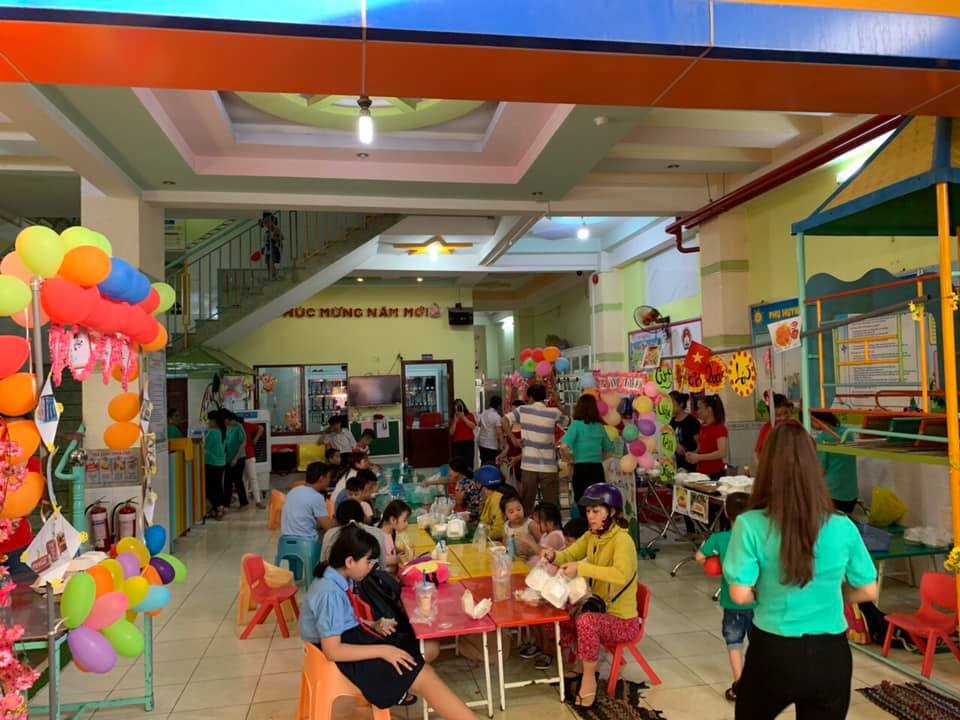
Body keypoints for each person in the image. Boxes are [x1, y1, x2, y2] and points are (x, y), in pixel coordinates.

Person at [725, 422, 878, 720]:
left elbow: (740, 595)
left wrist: (766, 594)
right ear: (814, 467)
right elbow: (869, 590)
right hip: (831, 654)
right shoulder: (842, 525)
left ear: (766, 465)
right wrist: (837, 594)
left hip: (773, 650)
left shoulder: (749, 524)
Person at [300, 525, 474, 718]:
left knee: (423, 648)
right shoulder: (329, 593)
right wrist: (384, 651)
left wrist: (372, 624)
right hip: (340, 655)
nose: (371, 566)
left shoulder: (337, 577)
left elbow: (341, 620)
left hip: (351, 638)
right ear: (349, 561)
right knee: (425, 675)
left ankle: (400, 685)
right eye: (368, 561)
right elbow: (333, 651)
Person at [543, 483, 638, 710]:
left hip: (624, 621)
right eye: (588, 511)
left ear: (611, 512)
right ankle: (581, 662)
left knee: (586, 622)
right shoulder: (592, 536)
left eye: (596, 511)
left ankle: (589, 678)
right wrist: (553, 556)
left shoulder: (622, 541)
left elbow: (620, 575)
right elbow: (569, 554)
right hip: (599, 609)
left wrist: (581, 568)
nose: (591, 516)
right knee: (557, 611)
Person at [695, 492, 755, 702]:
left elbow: (699, 557)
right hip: (758, 601)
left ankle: (739, 683)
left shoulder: (720, 538)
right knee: (759, 644)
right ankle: (760, 682)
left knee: (734, 643)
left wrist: (714, 565)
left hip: (732, 602)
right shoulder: (758, 538)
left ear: (727, 514)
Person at [508, 384, 561, 514]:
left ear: (530, 397)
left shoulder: (522, 410)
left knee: (526, 504)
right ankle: (551, 525)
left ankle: (527, 525)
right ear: (544, 396)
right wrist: (558, 401)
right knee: (551, 505)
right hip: (549, 466)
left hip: (528, 466)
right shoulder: (554, 412)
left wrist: (514, 440)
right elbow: (568, 423)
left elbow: (504, 420)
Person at [560, 394, 614, 504]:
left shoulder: (576, 425)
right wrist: (597, 458)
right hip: (597, 469)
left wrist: (569, 459)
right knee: (597, 504)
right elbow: (609, 451)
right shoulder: (599, 426)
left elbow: (563, 446)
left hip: (581, 469)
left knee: (582, 502)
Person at [813, 412, 859, 513]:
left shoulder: (822, 439)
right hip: (851, 493)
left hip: (833, 494)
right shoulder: (847, 432)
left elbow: (821, 470)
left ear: (814, 420)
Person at [320, 500, 389, 566]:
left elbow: (323, 562)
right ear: (362, 515)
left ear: (338, 517)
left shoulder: (330, 534)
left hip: (335, 573)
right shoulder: (377, 532)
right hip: (370, 574)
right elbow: (382, 564)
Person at [281, 461, 336, 540]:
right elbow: (327, 526)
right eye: (328, 477)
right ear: (321, 479)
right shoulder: (316, 497)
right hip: (306, 541)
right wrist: (340, 522)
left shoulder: (293, 491)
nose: (329, 480)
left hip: (285, 540)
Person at [684, 394, 729, 480]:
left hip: (714, 473)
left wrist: (699, 457)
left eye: (700, 408)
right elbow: (702, 447)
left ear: (709, 409)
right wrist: (692, 454)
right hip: (701, 472)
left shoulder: (719, 428)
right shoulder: (702, 426)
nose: (697, 411)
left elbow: (722, 453)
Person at [752, 394, 793, 470]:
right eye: (778, 415)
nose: (783, 417)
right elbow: (757, 453)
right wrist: (761, 470)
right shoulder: (767, 428)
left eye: (786, 413)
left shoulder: (794, 426)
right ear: (771, 415)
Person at [204, 410, 228, 520]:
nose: (208, 422)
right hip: (221, 462)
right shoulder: (223, 431)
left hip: (211, 462)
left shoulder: (212, 432)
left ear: (214, 421)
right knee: (218, 486)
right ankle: (219, 508)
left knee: (209, 488)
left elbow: (205, 446)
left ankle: (218, 508)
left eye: (209, 420)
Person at [223, 411, 249, 510]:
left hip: (239, 458)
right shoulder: (226, 427)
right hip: (228, 458)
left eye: (226, 419)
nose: (225, 421)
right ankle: (226, 504)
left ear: (230, 419)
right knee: (227, 481)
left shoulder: (238, 426)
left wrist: (235, 458)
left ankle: (244, 504)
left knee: (238, 481)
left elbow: (243, 443)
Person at [669, 391, 700, 472]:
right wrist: (676, 445)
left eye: (672, 403)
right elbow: (670, 440)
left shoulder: (692, 421)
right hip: (678, 463)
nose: (669, 407)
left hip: (692, 465)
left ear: (681, 404)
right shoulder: (671, 422)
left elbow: (700, 445)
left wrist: (692, 455)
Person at [378, 499, 412, 573]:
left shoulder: (391, 531)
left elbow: (390, 547)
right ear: (393, 520)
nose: (407, 524)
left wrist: (399, 550)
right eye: (404, 520)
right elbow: (378, 561)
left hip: (393, 572)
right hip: (385, 576)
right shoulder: (379, 537)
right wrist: (396, 559)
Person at [501, 494, 537, 561]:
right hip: (515, 559)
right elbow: (504, 544)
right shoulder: (506, 526)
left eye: (518, 509)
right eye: (511, 512)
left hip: (532, 559)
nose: (516, 514)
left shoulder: (530, 524)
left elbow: (542, 541)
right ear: (505, 514)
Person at [476, 465, 507, 541]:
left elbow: (499, 531)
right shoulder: (491, 497)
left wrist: (479, 537)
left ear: (480, 484)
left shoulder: (497, 499)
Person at [241, 415, 266, 508]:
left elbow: (261, 428)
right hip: (241, 456)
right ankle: (246, 501)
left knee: (252, 478)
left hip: (248, 455)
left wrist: (255, 439)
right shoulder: (235, 427)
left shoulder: (245, 425)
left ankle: (258, 501)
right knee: (244, 480)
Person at [450, 399, 477, 467]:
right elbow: (451, 433)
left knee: (469, 462)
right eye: (456, 405)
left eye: (460, 404)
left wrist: (463, 417)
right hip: (457, 443)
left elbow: (473, 426)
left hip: (468, 442)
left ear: (463, 406)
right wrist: (455, 421)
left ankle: (469, 473)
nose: (458, 406)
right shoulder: (453, 417)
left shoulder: (469, 415)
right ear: (454, 407)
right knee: (458, 463)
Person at [477, 396, 504, 466]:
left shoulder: (484, 413)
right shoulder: (496, 416)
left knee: (483, 462)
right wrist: (501, 446)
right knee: (492, 465)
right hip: (491, 444)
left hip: (481, 443)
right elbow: (499, 432)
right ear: (499, 405)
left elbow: (479, 424)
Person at [259, 211, 284, 279]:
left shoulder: (276, 229)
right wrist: (263, 248)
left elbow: (282, 237)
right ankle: (271, 275)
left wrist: (275, 238)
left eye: (267, 222)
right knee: (267, 262)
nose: (266, 224)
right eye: (265, 222)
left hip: (274, 247)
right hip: (268, 247)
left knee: (271, 262)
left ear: (272, 221)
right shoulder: (267, 231)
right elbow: (266, 241)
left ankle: (274, 275)